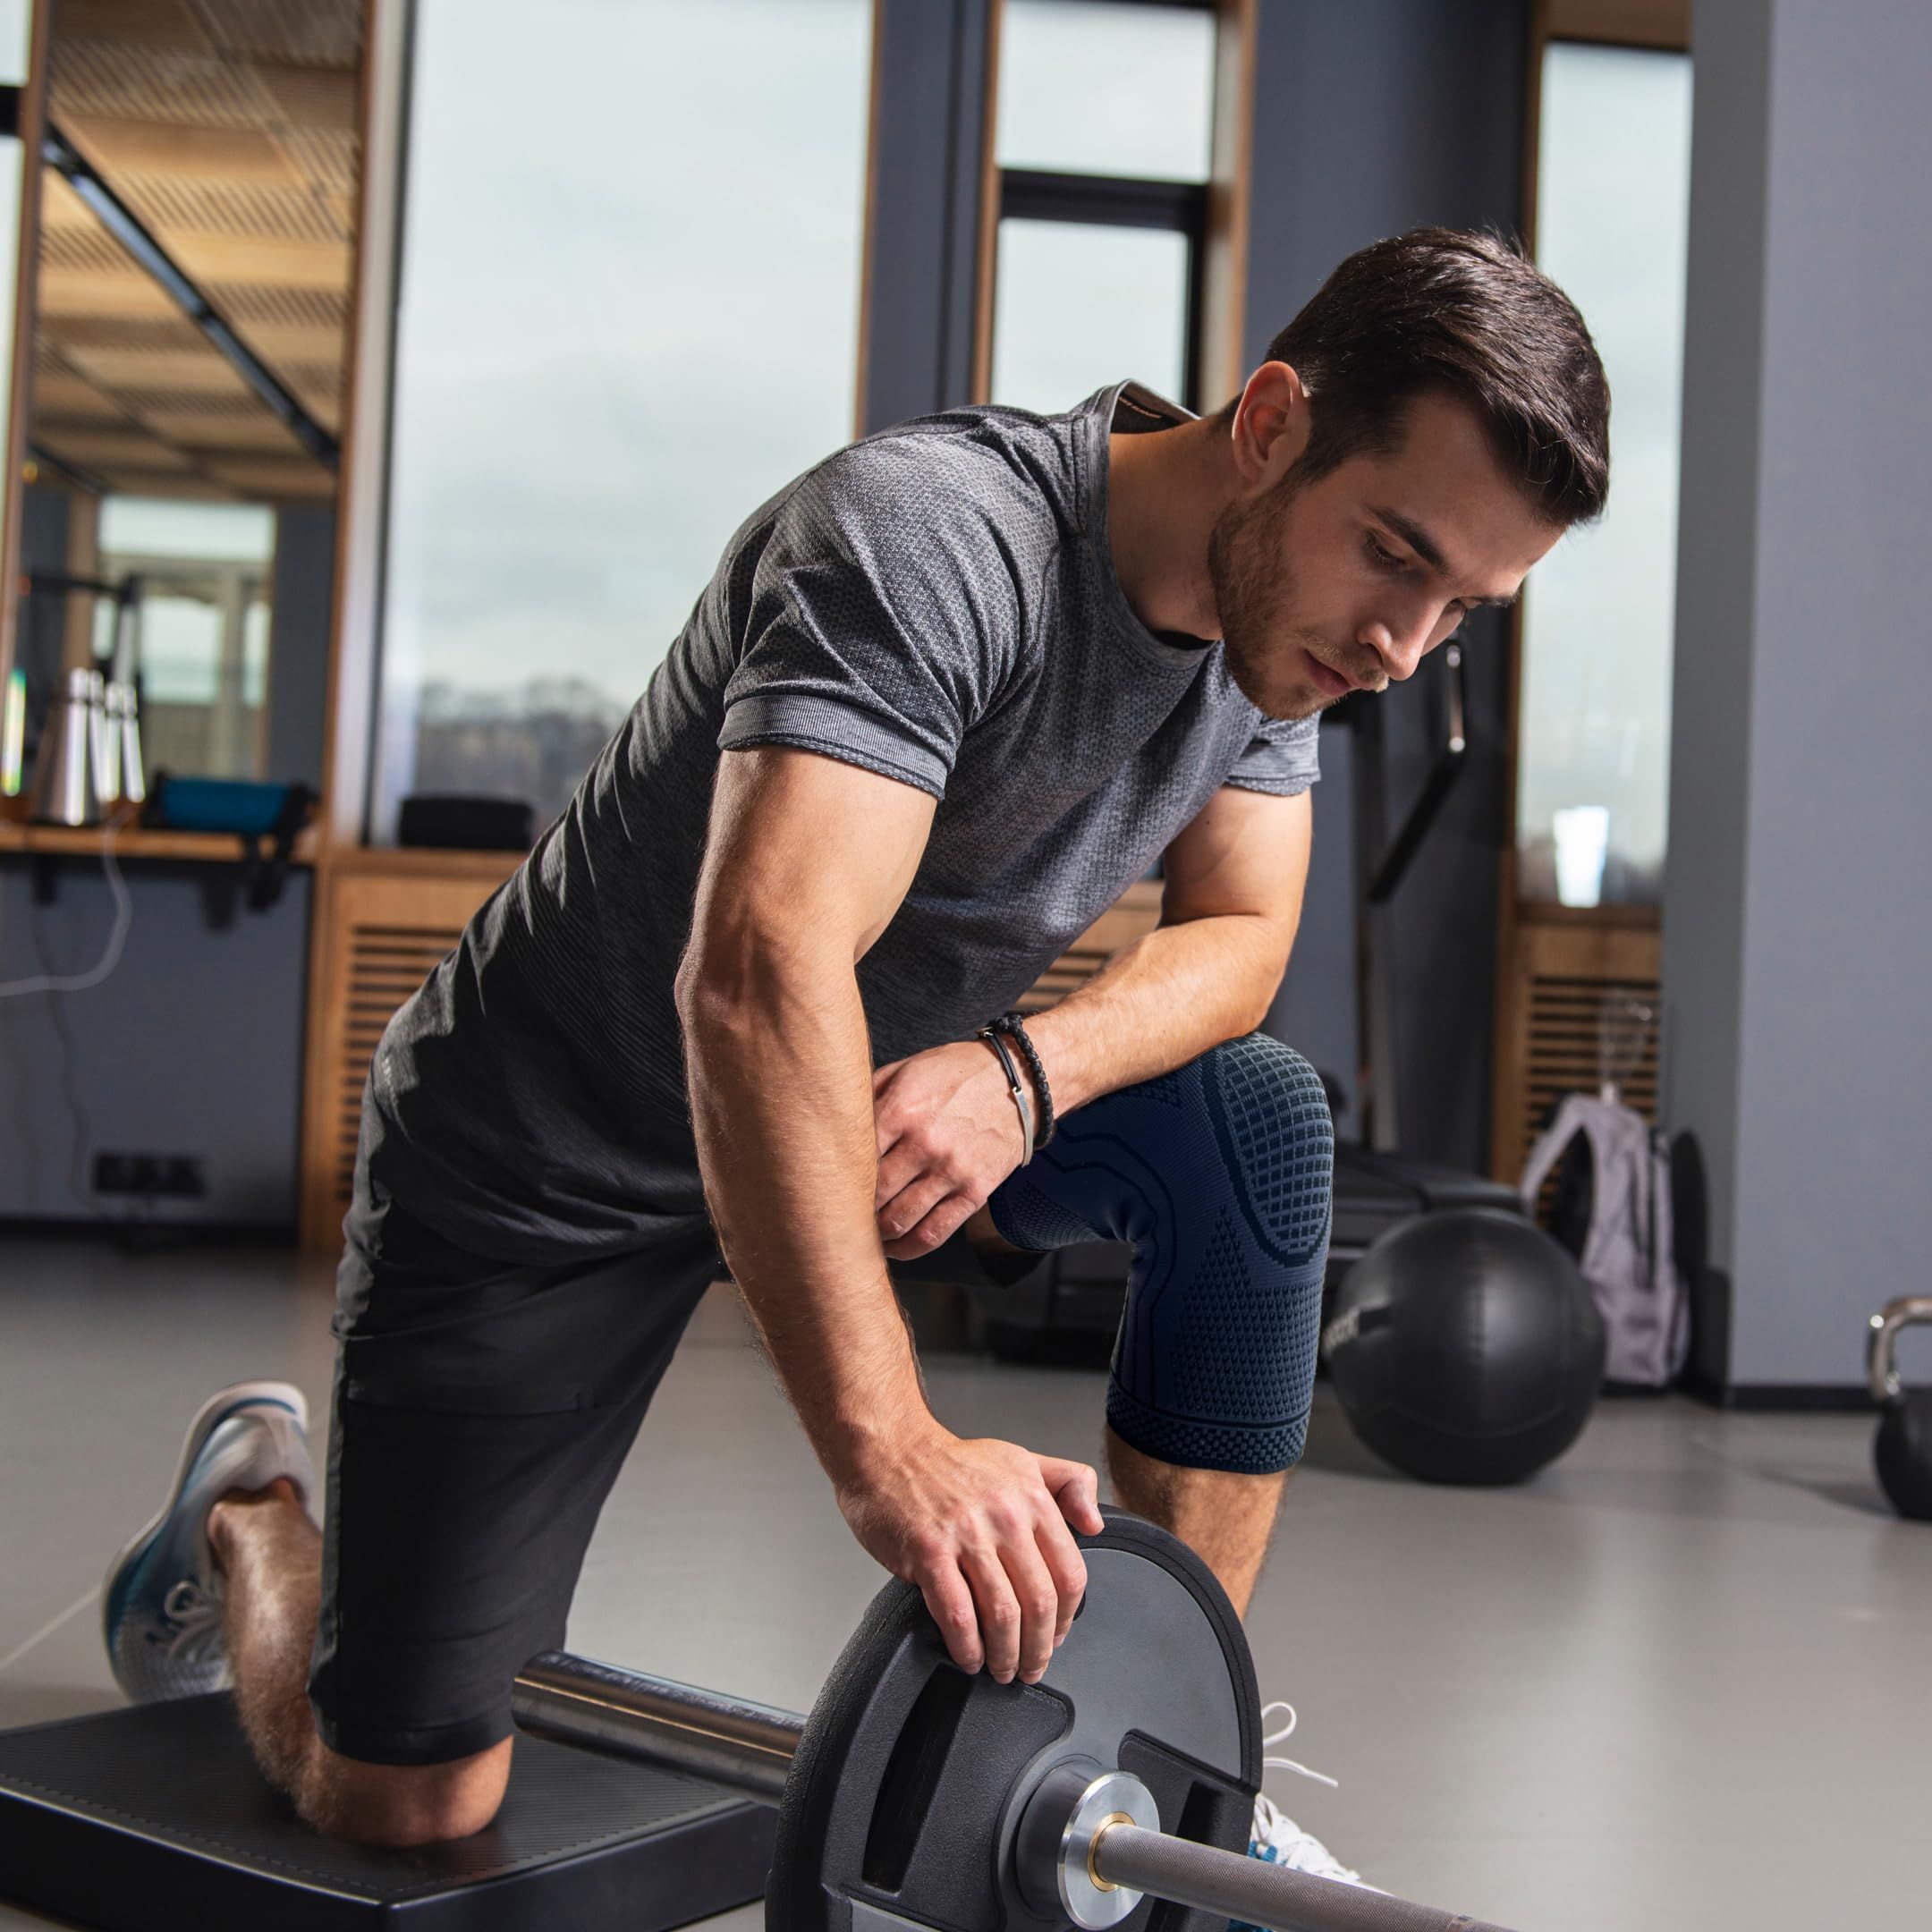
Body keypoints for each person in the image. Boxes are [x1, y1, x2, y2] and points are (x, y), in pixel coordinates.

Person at [101, 228, 1608, 1876]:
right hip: (553, 1149)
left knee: (1253, 1123)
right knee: (400, 1801)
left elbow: (1242, 939)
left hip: (873, 1117)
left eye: (1461, 605)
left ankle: (1178, 1750)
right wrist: (892, 1447)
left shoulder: (1293, 629)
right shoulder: (933, 540)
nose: (1403, 645)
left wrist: (1023, 1075)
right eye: (1396, 557)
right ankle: (252, 1514)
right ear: (1269, 425)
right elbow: (754, 975)